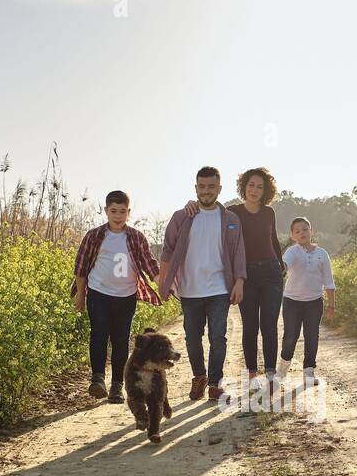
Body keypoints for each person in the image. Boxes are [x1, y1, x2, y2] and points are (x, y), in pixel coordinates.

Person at [184, 167, 284, 389]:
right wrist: (189, 204)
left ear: (265, 190)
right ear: (243, 187)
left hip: (271, 273)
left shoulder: (269, 213)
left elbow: (274, 241)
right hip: (245, 274)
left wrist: (280, 263)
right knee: (250, 325)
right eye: (251, 185)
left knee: (269, 324)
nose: (255, 190)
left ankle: (270, 373)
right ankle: (251, 375)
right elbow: (206, 210)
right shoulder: (232, 212)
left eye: (259, 187)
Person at [158, 167, 247, 402]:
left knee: (218, 336)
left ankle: (215, 383)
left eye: (211, 187)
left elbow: (238, 252)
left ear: (219, 189)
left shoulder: (230, 219)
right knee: (192, 338)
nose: (206, 191)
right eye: (202, 186)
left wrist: (239, 282)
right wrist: (163, 283)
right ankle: (199, 376)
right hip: (190, 288)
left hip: (219, 287)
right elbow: (167, 251)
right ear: (196, 188)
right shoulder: (182, 217)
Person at [72, 190, 163, 402]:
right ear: (106, 211)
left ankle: (116, 386)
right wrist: (80, 296)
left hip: (126, 296)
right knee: (99, 334)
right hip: (98, 293)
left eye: (122, 211)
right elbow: (81, 267)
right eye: (113, 211)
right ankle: (98, 379)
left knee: (121, 340)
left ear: (128, 212)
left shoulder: (135, 237)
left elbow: (150, 264)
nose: (118, 216)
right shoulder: (94, 236)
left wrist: (162, 286)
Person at [278, 217, 334, 387]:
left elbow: (329, 281)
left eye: (304, 229)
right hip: (292, 302)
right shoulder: (292, 252)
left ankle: (309, 372)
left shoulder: (322, 254)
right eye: (297, 231)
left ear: (311, 231)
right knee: (290, 337)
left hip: (314, 302)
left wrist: (332, 305)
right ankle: (282, 369)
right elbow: (284, 265)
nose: (301, 233)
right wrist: (281, 268)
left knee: (312, 337)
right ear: (292, 236)